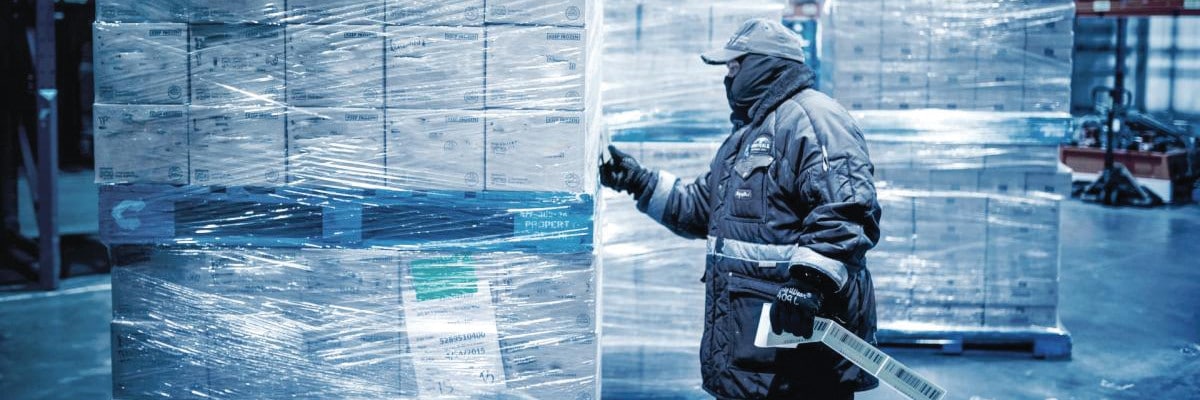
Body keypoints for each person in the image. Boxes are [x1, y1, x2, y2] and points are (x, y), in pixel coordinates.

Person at [600, 18, 882, 399]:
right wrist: (638, 181)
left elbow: (847, 206)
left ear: (765, 64)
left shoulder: (814, 118)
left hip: (798, 351)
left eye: (735, 66)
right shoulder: (744, 139)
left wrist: (807, 283)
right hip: (749, 352)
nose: (728, 78)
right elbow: (702, 208)